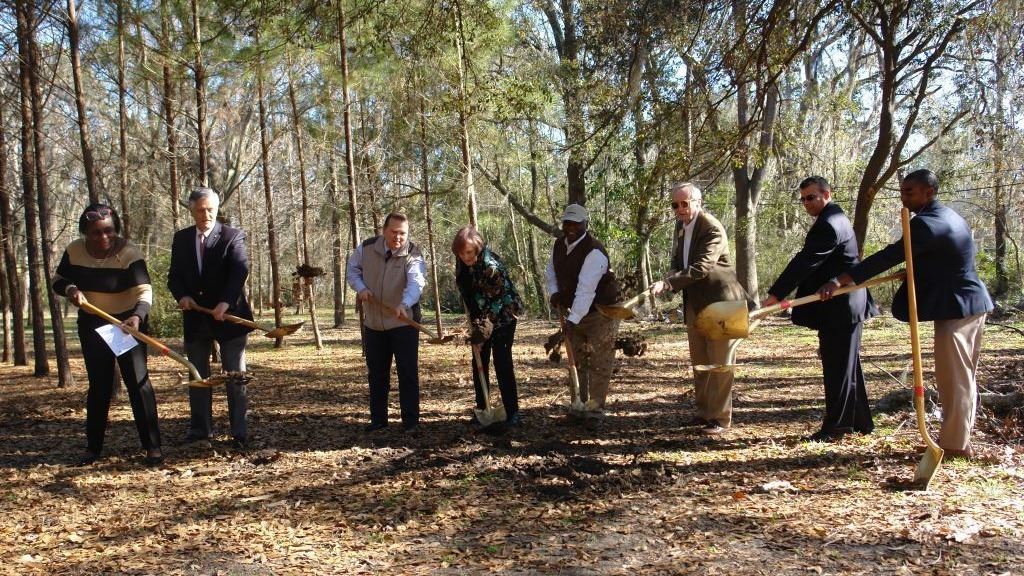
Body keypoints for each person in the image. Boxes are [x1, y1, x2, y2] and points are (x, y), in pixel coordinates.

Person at [819, 169, 992, 459]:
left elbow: (890, 254)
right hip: (969, 305)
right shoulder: (947, 216)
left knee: (954, 380)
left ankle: (955, 446)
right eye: (903, 191)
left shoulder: (926, 224)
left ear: (929, 192)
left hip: (959, 309)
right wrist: (915, 271)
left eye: (910, 191)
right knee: (961, 378)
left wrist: (841, 279)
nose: (904, 197)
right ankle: (958, 440)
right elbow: (941, 260)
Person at [763, 176, 877, 442]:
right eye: (803, 199)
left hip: (842, 306)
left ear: (827, 194)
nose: (806, 203)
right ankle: (860, 422)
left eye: (811, 197)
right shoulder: (833, 219)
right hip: (839, 305)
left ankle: (836, 427)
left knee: (838, 366)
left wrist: (777, 293)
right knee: (845, 365)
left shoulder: (829, 224)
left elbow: (805, 262)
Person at [53, 204, 163, 466]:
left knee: (138, 384)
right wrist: (70, 289)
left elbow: (144, 291)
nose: (103, 237)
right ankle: (93, 448)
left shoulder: (129, 252)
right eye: (96, 233)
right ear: (85, 233)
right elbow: (57, 279)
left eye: (109, 231)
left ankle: (153, 447)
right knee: (99, 386)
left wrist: (137, 316)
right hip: (94, 325)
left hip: (127, 323)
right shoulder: (74, 251)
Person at [650, 183, 749, 435]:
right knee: (700, 361)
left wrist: (669, 283)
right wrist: (672, 271)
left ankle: (721, 418)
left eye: (685, 203)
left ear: (698, 201)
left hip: (723, 302)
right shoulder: (681, 227)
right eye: (675, 204)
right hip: (695, 303)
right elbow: (679, 258)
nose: (680, 209)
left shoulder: (712, 227)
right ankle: (705, 413)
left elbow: (701, 267)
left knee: (721, 363)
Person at [168, 188, 253, 447]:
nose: (206, 215)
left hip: (230, 317)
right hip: (196, 318)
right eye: (200, 210)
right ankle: (200, 430)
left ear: (217, 210)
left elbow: (240, 271)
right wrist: (182, 296)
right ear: (192, 211)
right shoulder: (181, 239)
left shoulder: (232, 236)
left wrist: (225, 302)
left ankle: (239, 431)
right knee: (198, 376)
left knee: (235, 375)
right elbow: (174, 277)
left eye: (210, 210)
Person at [347, 212, 426, 434]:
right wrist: (360, 288)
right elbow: (352, 270)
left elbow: (416, 283)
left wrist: (405, 303)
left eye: (403, 233)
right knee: (377, 373)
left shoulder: (413, 253)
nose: (398, 237)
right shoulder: (367, 248)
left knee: (407, 372)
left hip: (404, 322)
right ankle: (378, 420)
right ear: (384, 230)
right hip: (374, 322)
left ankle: (411, 422)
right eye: (394, 232)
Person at [545, 203, 620, 419]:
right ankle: (578, 404)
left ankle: (595, 409)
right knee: (576, 358)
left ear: (585, 224)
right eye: (567, 223)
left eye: (576, 224)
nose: (571, 228)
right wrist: (554, 293)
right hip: (577, 309)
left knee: (599, 359)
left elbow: (585, 290)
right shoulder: (559, 245)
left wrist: (571, 320)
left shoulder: (594, 252)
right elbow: (551, 270)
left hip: (603, 310)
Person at [453, 226, 525, 427]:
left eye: (469, 252)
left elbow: (497, 302)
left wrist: (483, 332)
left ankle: (513, 413)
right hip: (480, 314)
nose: (465, 256)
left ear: (477, 248)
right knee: (479, 361)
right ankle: (483, 409)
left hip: (502, 315)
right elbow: (467, 291)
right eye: (461, 252)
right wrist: (475, 327)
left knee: (502, 362)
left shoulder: (490, 266)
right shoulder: (461, 263)